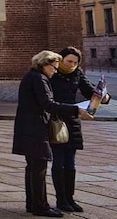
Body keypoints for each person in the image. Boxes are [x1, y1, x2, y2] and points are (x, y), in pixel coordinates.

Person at [14, 50, 92, 217]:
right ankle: (40, 206)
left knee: (33, 167)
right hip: (35, 128)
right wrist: (76, 110)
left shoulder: (33, 76)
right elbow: (48, 104)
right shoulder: (39, 79)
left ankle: (33, 203)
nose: (55, 71)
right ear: (44, 64)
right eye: (54, 68)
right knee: (39, 167)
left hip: (28, 127)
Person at [49, 46, 110, 212]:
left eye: (75, 62)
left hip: (73, 120)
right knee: (59, 162)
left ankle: (70, 199)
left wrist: (103, 97)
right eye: (69, 61)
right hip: (56, 120)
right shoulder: (51, 73)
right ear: (60, 59)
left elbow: (90, 91)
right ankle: (61, 199)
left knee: (71, 163)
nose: (72, 64)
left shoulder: (77, 72)